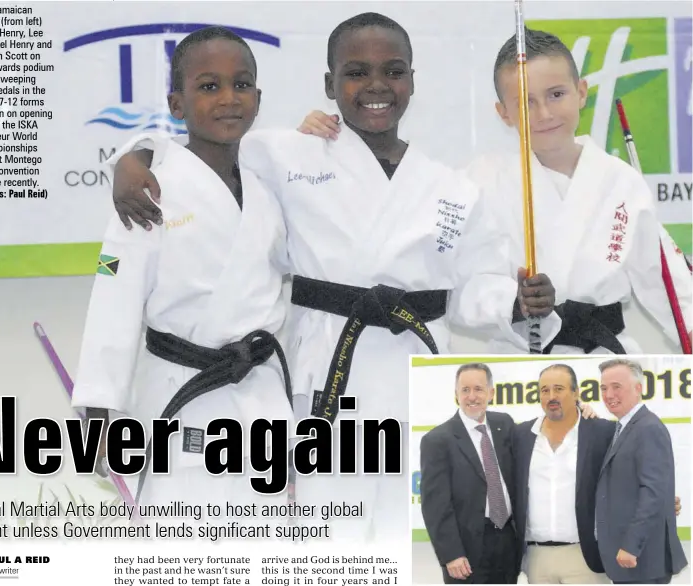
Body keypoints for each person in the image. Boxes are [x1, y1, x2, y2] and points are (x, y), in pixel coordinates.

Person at [103, 13, 558, 541]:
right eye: (356, 73)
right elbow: (197, 147)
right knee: (325, 540)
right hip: (326, 378)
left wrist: (515, 301)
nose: (376, 87)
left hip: (412, 371)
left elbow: (472, 286)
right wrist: (131, 159)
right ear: (329, 84)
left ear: (412, 80)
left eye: (393, 71)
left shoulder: (450, 188)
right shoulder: (288, 154)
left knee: (398, 537)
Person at [298, 28, 693, 354]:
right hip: (516, 368)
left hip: (608, 365)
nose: (543, 114)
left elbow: (672, 288)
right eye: (525, 102)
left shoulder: (621, 182)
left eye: (556, 94)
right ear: (502, 112)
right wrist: (514, 303)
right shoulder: (474, 182)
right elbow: (453, 285)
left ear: (582, 92)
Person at [71, 27, 293, 517]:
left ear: (259, 97)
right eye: (209, 86)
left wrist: (137, 149)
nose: (228, 99)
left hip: (261, 402)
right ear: (177, 103)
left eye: (242, 84)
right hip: (178, 398)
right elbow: (114, 300)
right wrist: (101, 414)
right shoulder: (148, 191)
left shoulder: (269, 185)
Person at [513, 364, 614, 584]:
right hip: (537, 559)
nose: (551, 396)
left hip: (584, 557)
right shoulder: (521, 435)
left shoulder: (602, 432)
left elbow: (624, 477)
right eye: (544, 390)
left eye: (559, 389)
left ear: (576, 393)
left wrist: (662, 500)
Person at [420, 363, 518, 584]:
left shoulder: (506, 425)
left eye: (478, 389)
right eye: (465, 390)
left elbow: (538, 434)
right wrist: (451, 554)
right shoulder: (437, 440)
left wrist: (581, 411)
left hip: (507, 543)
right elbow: (435, 505)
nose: (472, 396)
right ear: (456, 395)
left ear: (491, 393)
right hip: (466, 551)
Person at [595, 359, 687, 584]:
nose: (608, 394)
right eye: (604, 388)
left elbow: (653, 493)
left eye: (617, 386)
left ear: (638, 388)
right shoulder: (624, 427)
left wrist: (630, 546)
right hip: (630, 562)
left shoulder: (648, 428)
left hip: (641, 561)